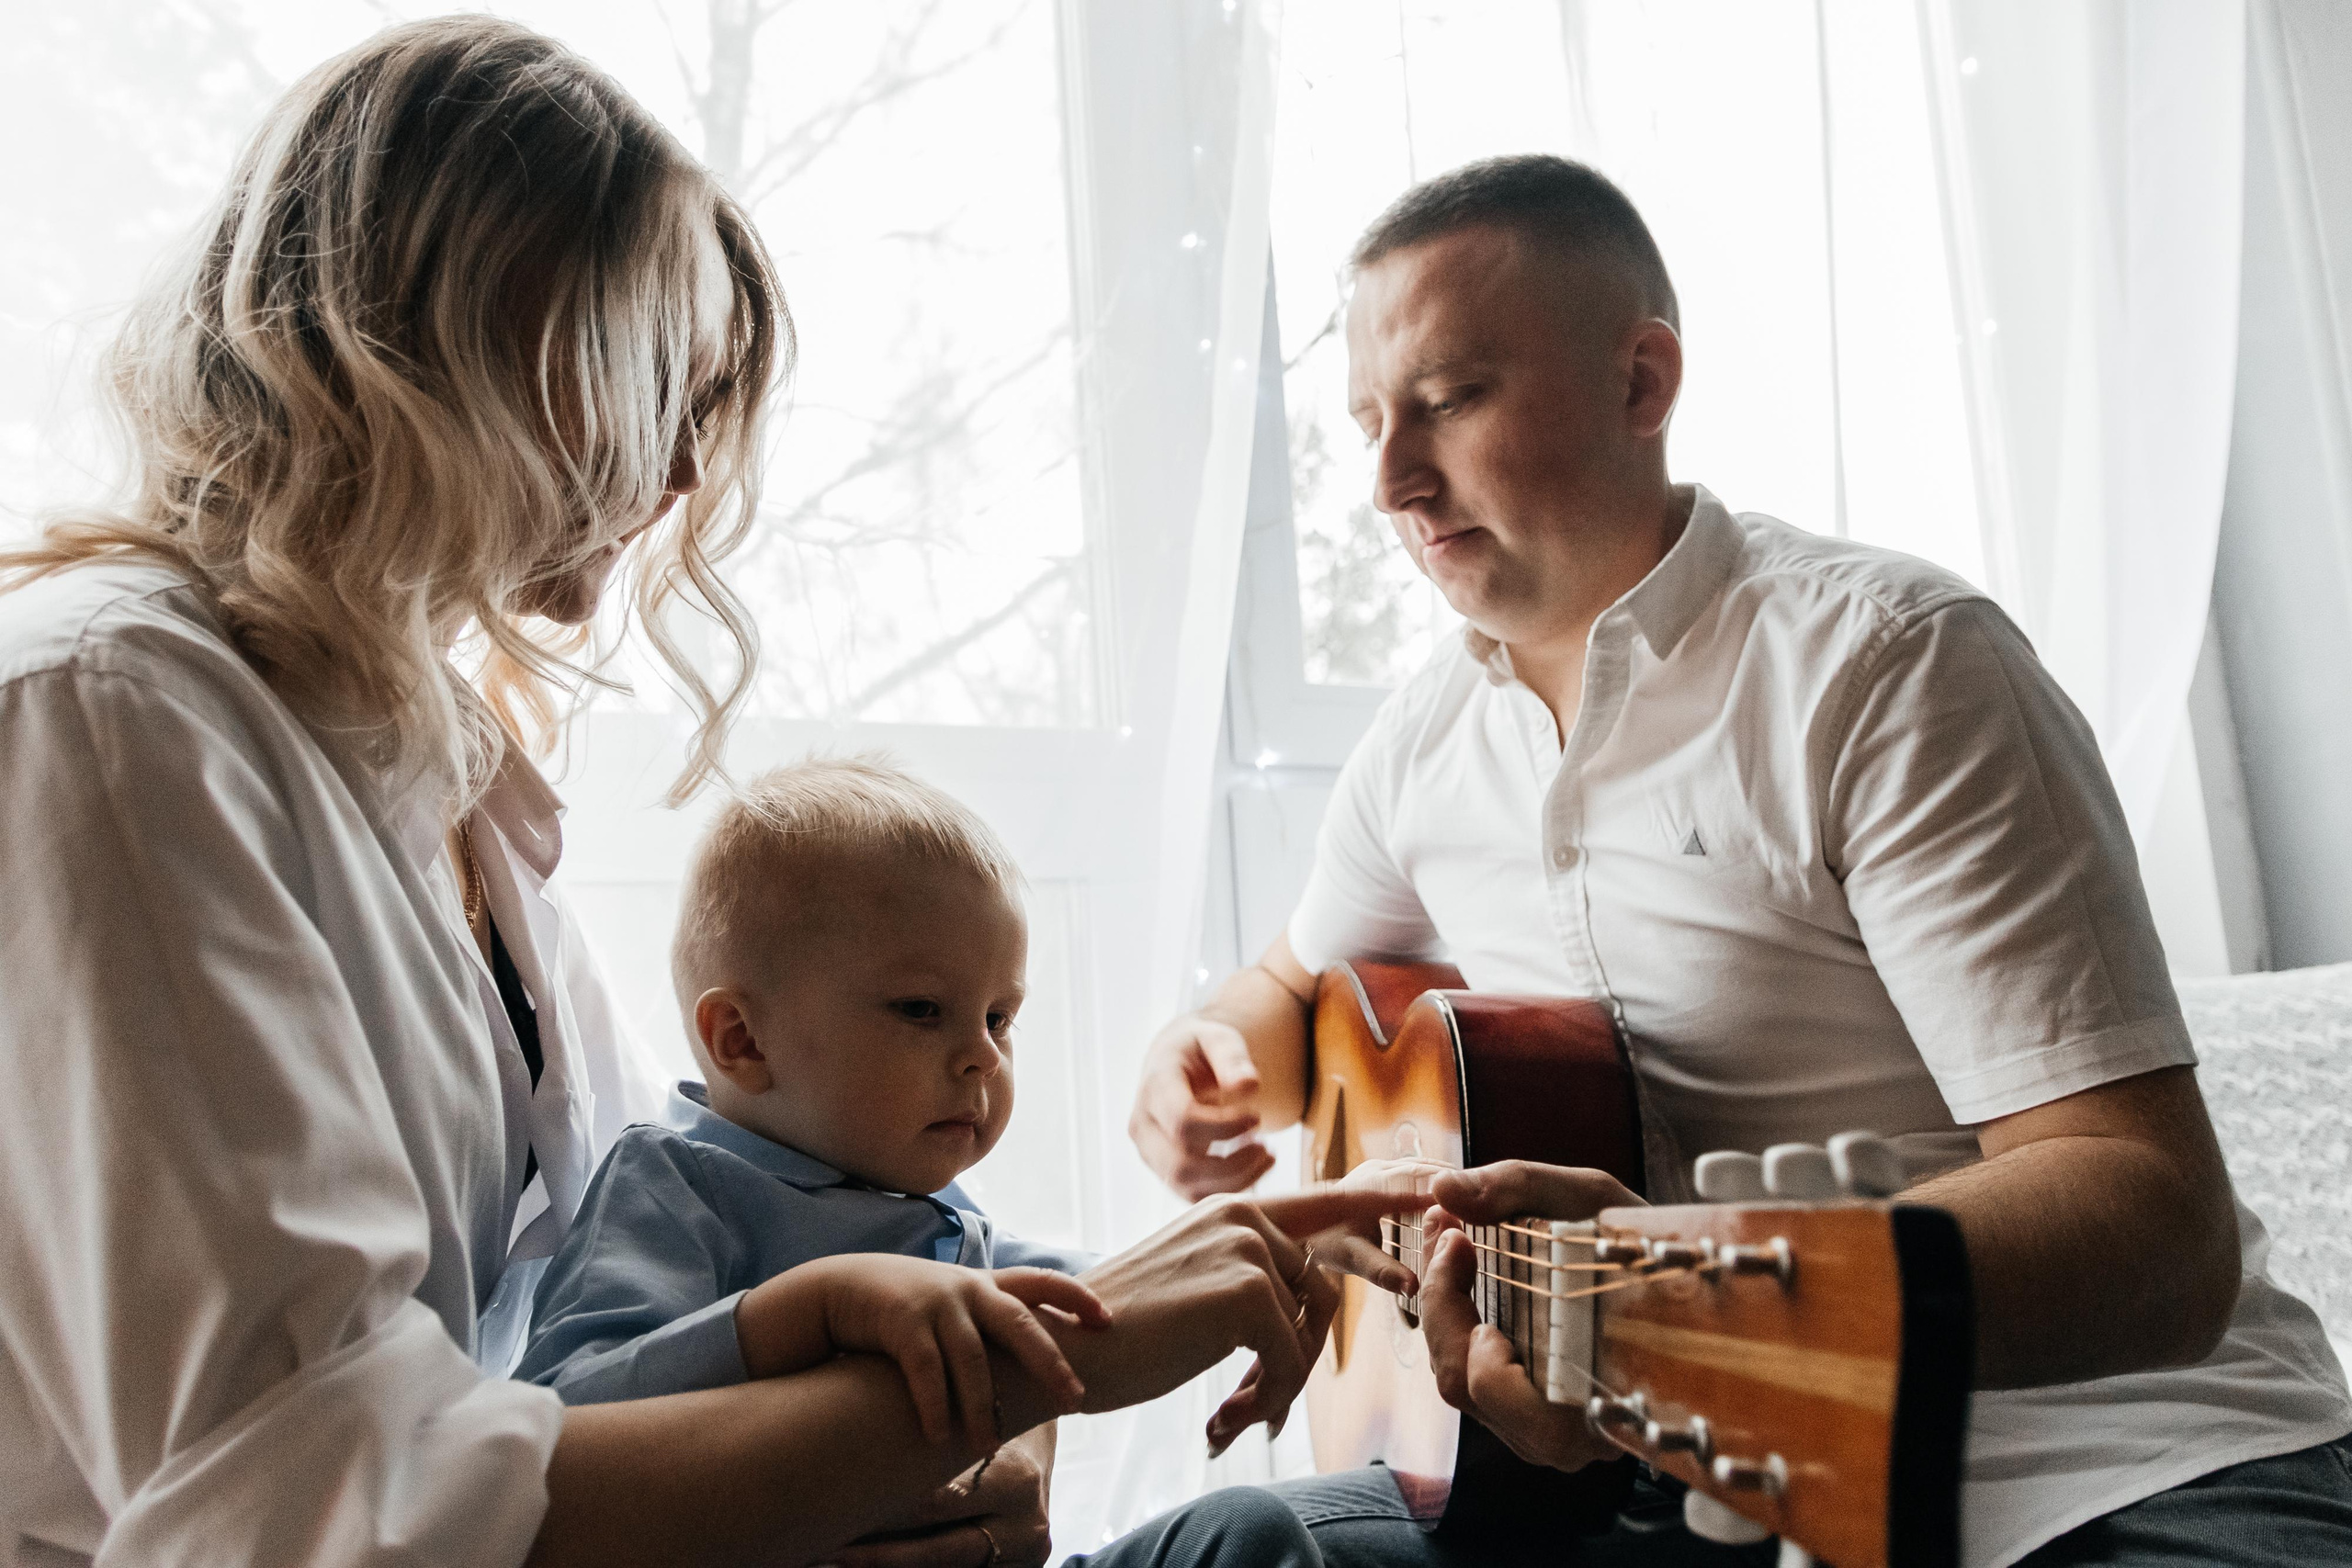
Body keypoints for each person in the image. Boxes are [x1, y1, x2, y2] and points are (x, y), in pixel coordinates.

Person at [0, 19, 1419, 1568]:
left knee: (1317, 1535)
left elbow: (634, 1350)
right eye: (654, 376)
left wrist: (998, 1411)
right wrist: (1041, 1365)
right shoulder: (110, 716)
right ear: (464, 330)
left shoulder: (439, 776)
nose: (683, 470)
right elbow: (308, 1511)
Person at [1129, 153, 2352, 1567]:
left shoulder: (1890, 666)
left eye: (1452, 399)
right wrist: (1200, 1059)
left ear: (1642, 382)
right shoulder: (1420, 746)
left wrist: (1675, 1299)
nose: (1393, 480)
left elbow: (2154, 1223)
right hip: (1654, 1491)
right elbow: (1289, 997)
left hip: (2100, 1469)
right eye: (1369, 424)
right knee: (1214, 1548)